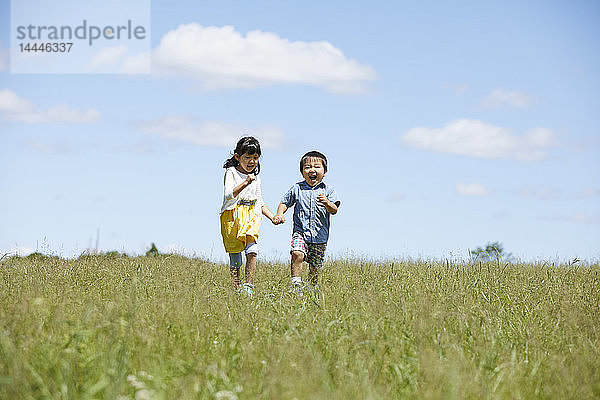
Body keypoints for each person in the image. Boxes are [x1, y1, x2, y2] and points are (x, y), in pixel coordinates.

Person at [220, 136, 280, 298]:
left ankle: (248, 287)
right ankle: (236, 286)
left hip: (251, 215)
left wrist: (272, 217)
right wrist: (245, 183)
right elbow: (228, 195)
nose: (252, 161)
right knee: (235, 257)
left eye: (255, 157)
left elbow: (259, 202)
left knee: (252, 251)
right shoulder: (231, 172)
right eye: (247, 157)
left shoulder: (256, 178)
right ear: (237, 157)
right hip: (232, 216)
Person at [274, 151, 340, 293]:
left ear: (325, 171)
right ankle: (296, 285)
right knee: (297, 253)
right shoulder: (297, 188)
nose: (312, 170)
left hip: (319, 236)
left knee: (315, 266)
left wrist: (327, 203)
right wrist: (279, 214)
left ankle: (311, 288)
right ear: (302, 172)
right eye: (308, 167)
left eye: (317, 167)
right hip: (301, 232)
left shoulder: (328, 190)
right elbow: (284, 202)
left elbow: (334, 209)